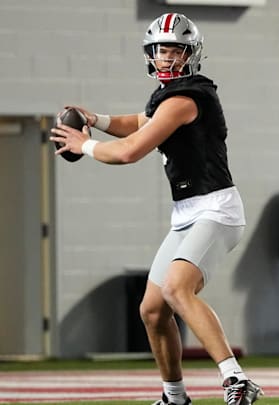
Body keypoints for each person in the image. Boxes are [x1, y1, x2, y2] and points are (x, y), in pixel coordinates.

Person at [49, 13, 262, 405]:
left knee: (177, 289)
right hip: (188, 213)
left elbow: (130, 150)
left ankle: (236, 378)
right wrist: (96, 119)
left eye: (176, 49)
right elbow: (140, 122)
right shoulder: (168, 96)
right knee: (151, 310)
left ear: (191, 53)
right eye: (161, 49)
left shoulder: (186, 98)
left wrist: (85, 144)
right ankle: (174, 396)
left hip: (216, 209)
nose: (167, 57)